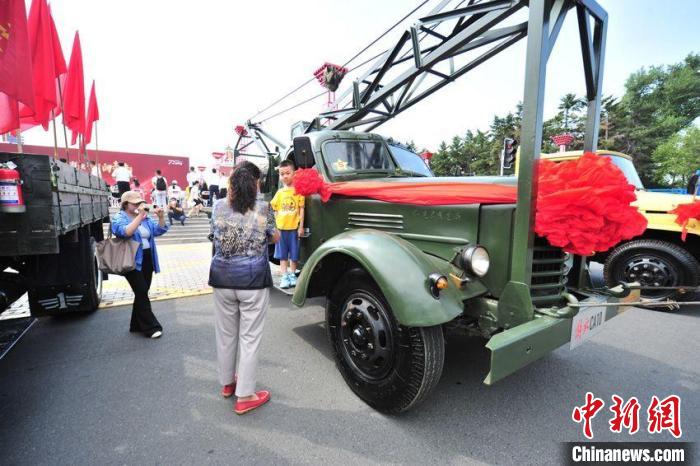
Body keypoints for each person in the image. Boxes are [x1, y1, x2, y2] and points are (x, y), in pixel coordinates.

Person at [209, 164, 279, 414]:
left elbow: (214, 235)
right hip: (252, 281)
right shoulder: (263, 207)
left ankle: (228, 384)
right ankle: (246, 395)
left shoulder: (217, 206)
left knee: (225, 335)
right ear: (255, 184)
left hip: (221, 279)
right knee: (249, 339)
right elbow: (275, 236)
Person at [111, 191, 169, 338]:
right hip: (130, 259)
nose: (138, 205)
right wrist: (139, 216)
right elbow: (126, 232)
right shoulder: (119, 218)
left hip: (147, 258)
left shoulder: (145, 218)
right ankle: (151, 327)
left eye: (139, 202)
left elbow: (159, 230)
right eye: (134, 203)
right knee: (142, 290)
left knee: (142, 291)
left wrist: (161, 217)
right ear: (125, 204)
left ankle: (135, 324)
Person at [270, 160, 305, 289]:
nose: (285, 176)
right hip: (281, 229)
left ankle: (292, 274)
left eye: (288, 173)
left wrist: (301, 226)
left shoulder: (298, 192)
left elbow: (302, 209)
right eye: (282, 174)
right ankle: (284, 276)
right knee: (282, 255)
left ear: (294, 173)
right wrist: (275, 227)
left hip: (294, 229)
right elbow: (274, 210)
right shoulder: (279, 193)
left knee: (294, 255)